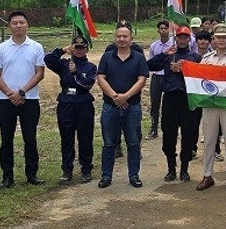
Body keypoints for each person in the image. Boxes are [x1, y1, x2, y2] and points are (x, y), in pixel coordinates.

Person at [0, 12, 46, 188]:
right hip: (5, 101)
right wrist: (10, 93)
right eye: (15, 23)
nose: (19, 26)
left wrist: (21, 92)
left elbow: (40, 73)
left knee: (30, 138)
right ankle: (7, 177)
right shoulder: (1, 48)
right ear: (9, 26)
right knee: (6, 139)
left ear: (27, 25)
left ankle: (32, 174)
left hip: (29, 99)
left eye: (22, 22)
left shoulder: (36, 47)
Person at [96, 23, 149, 188]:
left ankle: (134, 175)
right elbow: (101, 78)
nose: (121, 39)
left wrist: (126, 96)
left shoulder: (139, 58)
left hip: (132, 106)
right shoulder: (107, 56)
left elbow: (142, 80)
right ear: (115, 38)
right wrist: (114, 95)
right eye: (119, 36)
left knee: (133, 142)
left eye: (125, 36)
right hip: (110, 106)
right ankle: (106, 176)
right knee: (109, 143)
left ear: (131, 39)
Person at [148, 26, 202, 183]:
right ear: (176, 38)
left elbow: (201, 76)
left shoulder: (195, 57)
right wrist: (163, 54)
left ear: (189, 39)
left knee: (188, 134)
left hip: (187, 99)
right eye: (180, 37)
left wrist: (184, 69)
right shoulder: (168, 55)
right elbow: (149, 66)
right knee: (169, 133)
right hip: (170, 99)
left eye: (186, 37)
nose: (183, 39)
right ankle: (171, 168)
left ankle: (185, 169)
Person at [195, 24, 226, 191]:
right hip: (210, 104)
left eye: (225, 37)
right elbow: (200, 79)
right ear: (213, 39)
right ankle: (207, 175)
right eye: (218, 37)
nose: (221, 40)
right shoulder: (206, 58)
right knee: (209, 141)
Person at [44, 34, 98, 184]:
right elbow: (48, 60)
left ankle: (86, 169)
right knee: (66, 137)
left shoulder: (91, 67)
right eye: (76, 47)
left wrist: (75, 73)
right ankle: (67, 170)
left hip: (83, 103)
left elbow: (87, 84)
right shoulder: (64, 64)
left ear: (87, 49)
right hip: (66, 103)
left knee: (85, 137)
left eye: (82, 48)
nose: (79, 50)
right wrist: (62, 50)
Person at [146, 19, 173, 140]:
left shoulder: (174, 44)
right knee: (155, 104)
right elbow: (151, 62)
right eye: (161, 28)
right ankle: (153, 128)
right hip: (157, 76)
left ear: (169, 29)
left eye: (165, 28)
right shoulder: (154, 45)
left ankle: (170, 129)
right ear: (158, 30)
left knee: (169, 104)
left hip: (169, 76)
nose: (163, 31)